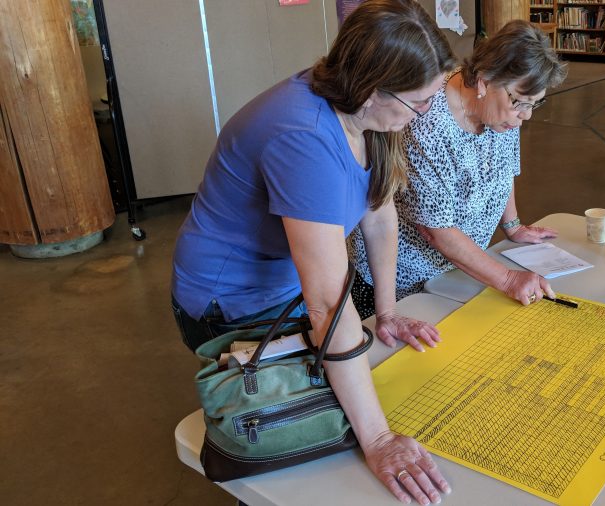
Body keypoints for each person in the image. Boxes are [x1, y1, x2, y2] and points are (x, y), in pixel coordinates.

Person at [170, 1, 454, 503]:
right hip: (231, 301)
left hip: (288, 287)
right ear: (372, 90)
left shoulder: (363, 110)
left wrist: (386, 312)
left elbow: (379, 212)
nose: (426, 114)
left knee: (352, 393)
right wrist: (381, 440)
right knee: (296, 435)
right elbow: (326, 300)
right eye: (421, 103)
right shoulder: (304, 136)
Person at [349, 20, 568, 319]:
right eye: (521, 102)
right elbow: (436, 230)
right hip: (404, 280)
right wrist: (507, 279)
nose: (525, 115)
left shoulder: (501, 111)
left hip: (457, 270)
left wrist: (513, 225)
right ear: (484, 81)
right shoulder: (429, 123)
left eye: (534, 104)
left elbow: (502, 172)